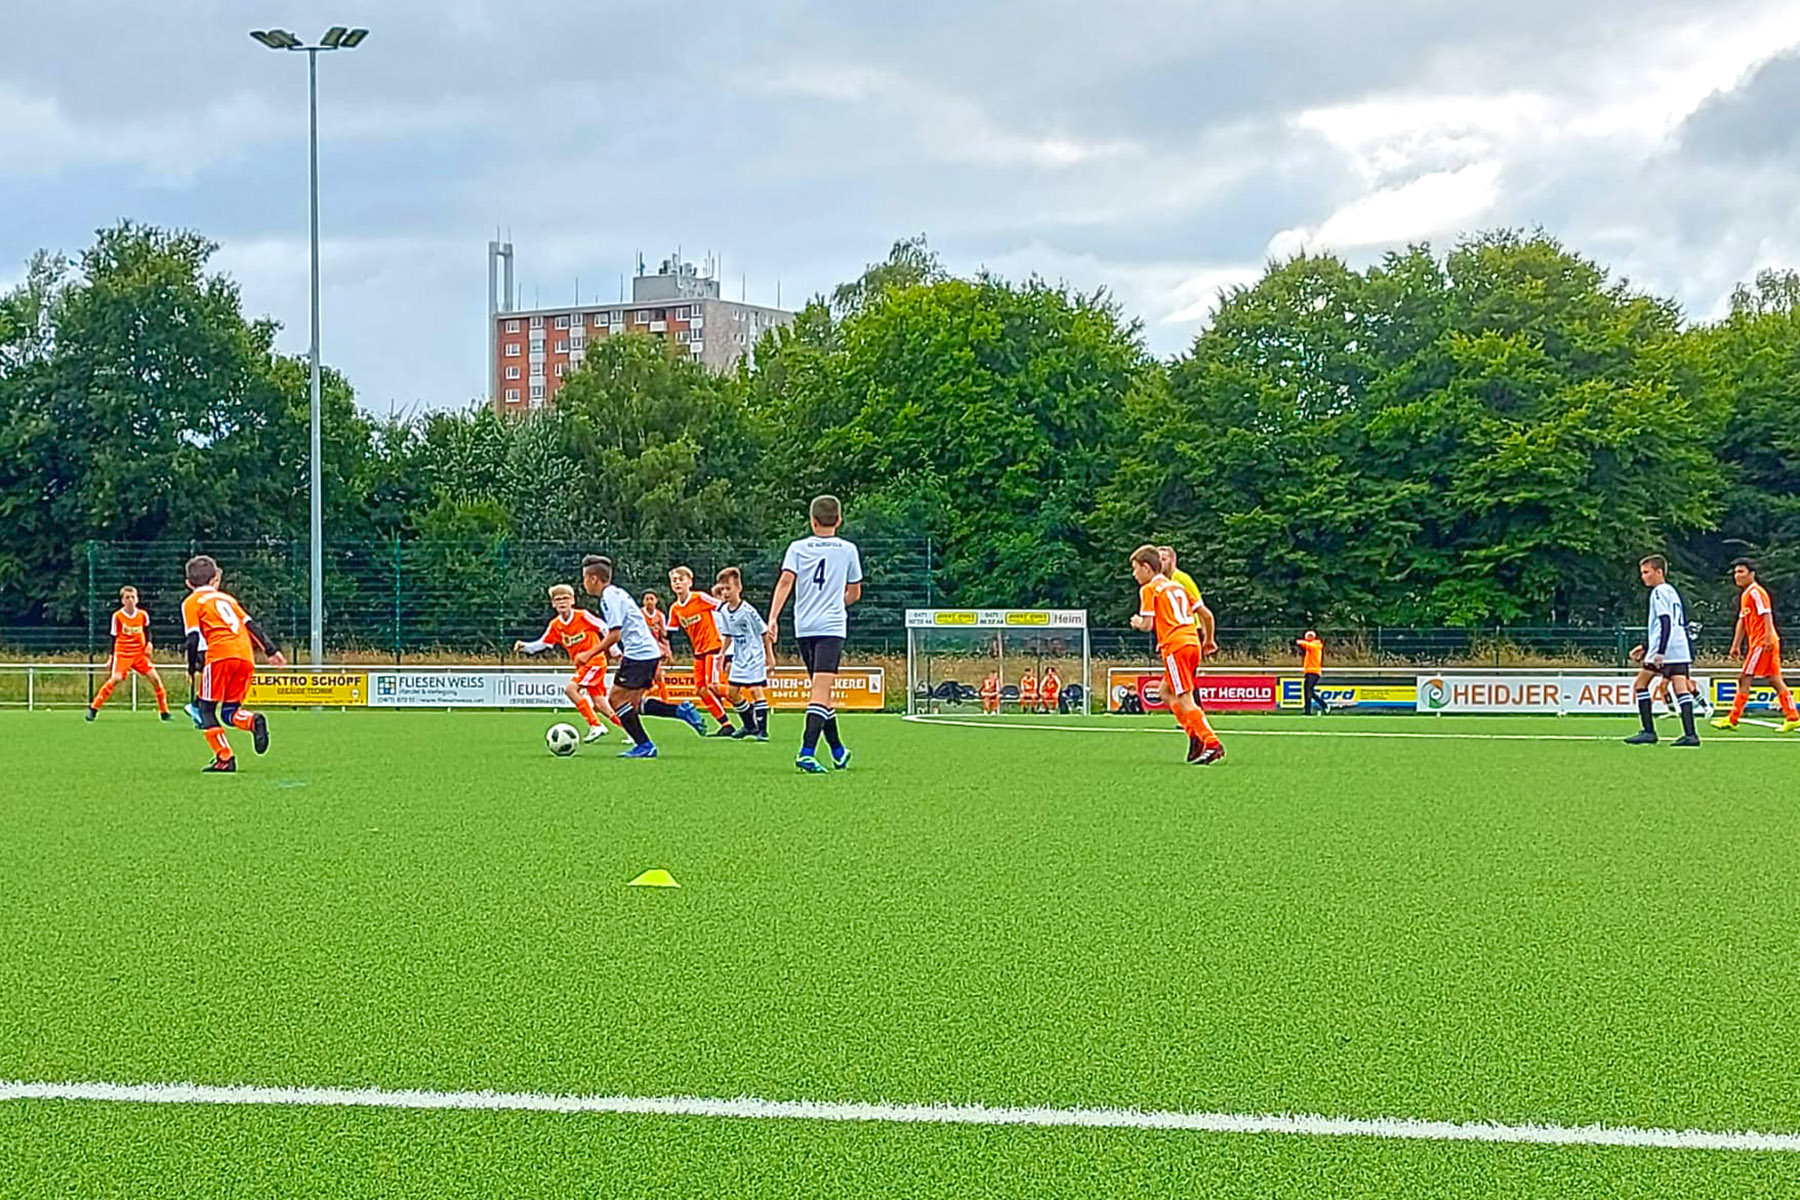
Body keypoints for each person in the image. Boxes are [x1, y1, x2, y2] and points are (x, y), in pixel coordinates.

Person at [768, 494, 863, 773]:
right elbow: (855, 592)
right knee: (820, 692)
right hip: (831, 627)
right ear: (839, 520)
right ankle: (806, 751)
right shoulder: (848, 549)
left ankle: (838, 750)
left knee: (821, 692)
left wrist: (773, 618)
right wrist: (836, 602)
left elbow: (786, 581)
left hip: (804, 626)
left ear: (812, 521)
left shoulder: (797, 547)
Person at [581, 555, 708, 758]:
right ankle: (679, 711)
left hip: (639, 654)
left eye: (585, 578)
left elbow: (615, 633)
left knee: (615, 700)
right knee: (633, 704)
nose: (584, 583)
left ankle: (645, 745)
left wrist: (589, 653)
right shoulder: (616, 593)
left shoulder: (609, 597)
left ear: (594, 578)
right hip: (646, 652)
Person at [181, 556, 285, 772]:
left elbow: (192, 638)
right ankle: (252, 721)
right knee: (230, 710)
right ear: (215, 579)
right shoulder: (228, 600)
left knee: (205, 708)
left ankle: (225, 758)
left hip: (219, 656)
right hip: (245, 656)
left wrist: (191, 668)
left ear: (189, 583)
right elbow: (251, 625)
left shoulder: (191, 603)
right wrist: (271, 651)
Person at [1130, 544, 1224, 764]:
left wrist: (1136, 622)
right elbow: (1207, 616)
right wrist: (1209, 640)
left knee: (1184, 697)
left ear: (1146, 568)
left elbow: (1147, 624)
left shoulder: (1148, 589)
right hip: (1192, 642)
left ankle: (1210, 742)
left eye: (1135, 569)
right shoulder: (1177, 587)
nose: (1134, 575)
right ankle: (1194, 734)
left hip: (1175, 646)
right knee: (1164, 691)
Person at [513, 584, 616, 743]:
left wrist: (614, 650)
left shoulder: (582, 616)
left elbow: (604, 628)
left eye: (565, 598)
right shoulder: (556, 625)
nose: (562, 602)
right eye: (558, 599)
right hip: (583, 666)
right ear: (553, 604)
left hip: (595, 661)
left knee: (570, 689)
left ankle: (595, 725)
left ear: (573, 600)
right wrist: (525, 646)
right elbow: (543, 643)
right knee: (600, 703)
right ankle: (631, 731)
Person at [1713, 557, 1800, 733]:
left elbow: (1766, 613)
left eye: (1741, 572)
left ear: (1751, 574)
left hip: (1762, 643)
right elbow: (1743, 621)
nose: (1737, 576)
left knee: (1745, 678)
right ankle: (1792, 716)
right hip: (1762, 642)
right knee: (1775, 679)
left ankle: (1733, 718)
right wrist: (1736, 644)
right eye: (1736, 572)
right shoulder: (1746, 595)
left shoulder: (1755, 592)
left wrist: (1768, 636)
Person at [1626, 555, 1700, 747]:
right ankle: (1691, 735)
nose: (1643, 577)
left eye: (1646, 572)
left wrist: (1658, 651)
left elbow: (1664, 622)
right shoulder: (1672, 592)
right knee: (1680, 689)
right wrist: (1645, 646)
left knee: (1640, 685)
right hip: (1680, 646)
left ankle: (1648, 731)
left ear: (1659, 572)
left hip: (1665, 647)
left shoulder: (1658, 592)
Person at [668, 566, 737, 737]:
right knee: (700, 690)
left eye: (681, 579)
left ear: (689, 582)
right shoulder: (675, 608)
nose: (677, 583)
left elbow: (722, 606)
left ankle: (744, 703)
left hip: (713, 646)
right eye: (674, 580)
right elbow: (669, 632)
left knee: (712, 686)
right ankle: (725, 724)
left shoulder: (699, 598)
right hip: (698, 651)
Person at [87, 585, 171, 722]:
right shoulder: (117, 616)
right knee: (116, 679)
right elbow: (113, 637)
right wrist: (111, 658)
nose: (130, 600)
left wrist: (149, 643)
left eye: (133, 597)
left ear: (137, 599)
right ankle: (93, 708)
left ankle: (164, 712)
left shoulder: (143, 615)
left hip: (139, 654)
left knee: (155, 679)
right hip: (123, 653)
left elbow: (147, 631)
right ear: (122, 601)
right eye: (127, 597)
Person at [712, 567, 775, 741]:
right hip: (739, 656)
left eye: (728, 588)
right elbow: (728, 635)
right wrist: (722, 655)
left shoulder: (748, 611)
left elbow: (764, 632)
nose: (725, 592)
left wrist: (770, 657)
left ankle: (763, 731)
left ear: (738, 588)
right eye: (722, 589)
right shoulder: (724, 610)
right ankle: (749, 725)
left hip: (754, 655)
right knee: (732, 693)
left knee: (755, 690)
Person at [1158, 545, 1218, 658]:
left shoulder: (1181, 578)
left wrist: (1206, 634)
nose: (1160, 563)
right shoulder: (1161, 581)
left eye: (1164, 559)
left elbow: (1200, 605)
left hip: (1191, 628)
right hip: (1174, 632)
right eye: (1158, 559)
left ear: (1173, 560)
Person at [641, 590, 675, 704]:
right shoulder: (640, 614)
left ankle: (665, 701)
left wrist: (668, 652)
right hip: (642, 650)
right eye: (647, 599)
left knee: (658, 676)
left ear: (656, 601)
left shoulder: (660, 616)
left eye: (652, 599)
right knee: (645, 678)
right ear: (643, 601)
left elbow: (664, 636)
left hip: (655, 650)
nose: (649, 601)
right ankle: (641, 698)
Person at [1295, 630, 1326, 716]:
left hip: (1314, 671)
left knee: (1308, 691)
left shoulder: (1316, 645)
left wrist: (1300, 642)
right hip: (1309, 671)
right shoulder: (1312, 647)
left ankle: (1310, 710)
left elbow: (1308, 645)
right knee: (1308, 691)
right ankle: (1322, 705)